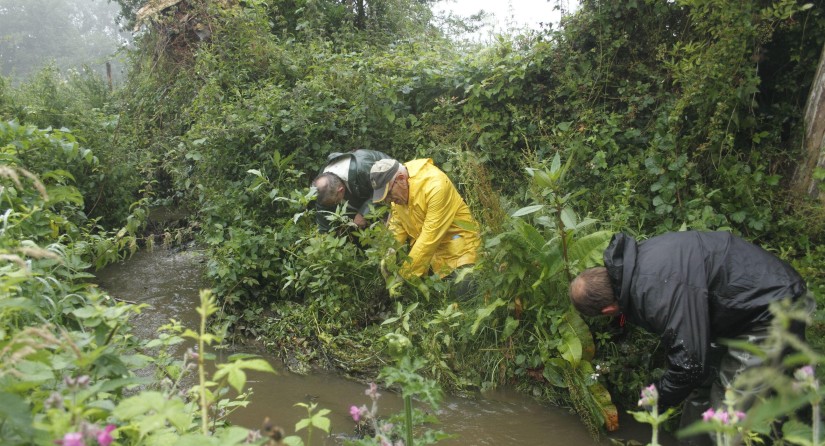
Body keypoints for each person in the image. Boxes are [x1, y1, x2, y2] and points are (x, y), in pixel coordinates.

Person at [569, 231, 813, 444]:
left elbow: (690, 364)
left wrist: (656, 401)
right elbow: (694, 362)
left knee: (729, 402)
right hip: (736, 306)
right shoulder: (633, 264)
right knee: (700, 387)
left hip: (772, 308)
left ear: (608, 310)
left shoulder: (654, 294)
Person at [369, 158, 480, 284]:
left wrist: (404, 276)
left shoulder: (435, 186)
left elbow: (429, 238)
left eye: (388, 194)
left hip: (460, 252)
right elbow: (398, 225)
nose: (388, 200)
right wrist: (388, 254)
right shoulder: (400, 193)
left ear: (400, 179)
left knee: (466, 293)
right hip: (432, 259)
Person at [312, 149, 391, 233]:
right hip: (360, 189)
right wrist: (324, 236)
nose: (335, 205)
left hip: (391, 184)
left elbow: (384, 188)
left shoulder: (364, 169)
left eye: (335, 202)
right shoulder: (321, 186)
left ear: (341, 190)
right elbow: (322, 213)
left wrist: (363, 213)